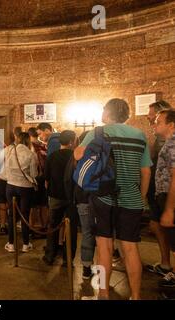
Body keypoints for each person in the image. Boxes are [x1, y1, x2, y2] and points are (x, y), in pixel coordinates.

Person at [74, 98, 152, 300]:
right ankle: (135, 296)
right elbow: (145, 172)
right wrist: (141, 197)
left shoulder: (98, 132)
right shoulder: (139, 135)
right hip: (132, 198)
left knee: (104, 246)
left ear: (107, 113)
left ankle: (103, 294)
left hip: (103, 197)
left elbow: (77, 156)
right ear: (126, 115)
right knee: (130, 248)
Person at [145, 100, 174, 276]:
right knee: (158, 227)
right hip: (159, 191)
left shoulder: (171, 142)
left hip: (168, 192)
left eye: (155, 117)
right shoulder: (161, 137)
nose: (150, 118)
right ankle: (166, 265)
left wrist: (169, 209)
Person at [42, 130, 77, 265]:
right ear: (71, 142)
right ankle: (67, 260)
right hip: (71, 198)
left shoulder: (52, 156)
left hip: (55, 196)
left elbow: (46, 179)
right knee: (71, 228)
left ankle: (50, 255)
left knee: (53, 225)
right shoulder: (75, 157)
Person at [65, 131, 95, 279]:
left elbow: (68, 179)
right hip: (101, 199)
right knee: (104, 235)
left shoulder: (77, 157)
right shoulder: (102, 154)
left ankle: (87, 267)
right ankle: (104, 267)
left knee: (87, 233)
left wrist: (71, 199)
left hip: (82, 199)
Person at [2, 132, 38, 253]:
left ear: (17, 139)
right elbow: (34, 174)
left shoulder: (8, 150)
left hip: (10, 185)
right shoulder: (31, 154)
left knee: (11, 215)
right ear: (28, 141)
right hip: (25, 188)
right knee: (25, 215)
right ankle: (25, 244)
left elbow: (5, 167)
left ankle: (11, 244)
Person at [153, 109, 175, 290]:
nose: (154, 123)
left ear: (171, 125)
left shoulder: (173, 144)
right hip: (165, 195)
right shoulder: (168, 143)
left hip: (170, 197)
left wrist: (169, 209)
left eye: (159, 121)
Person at [28, 127, 49, 232]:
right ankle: (44, 226)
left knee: (33, 205)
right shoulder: (44, 146)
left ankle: (32, 228)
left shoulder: (30, 146)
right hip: (44, 178)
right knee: (43, 204)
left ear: (29, 136)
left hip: (34, 177)